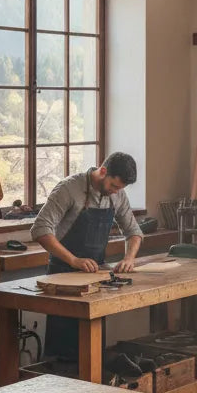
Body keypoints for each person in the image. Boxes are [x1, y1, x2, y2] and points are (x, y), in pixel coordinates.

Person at [30, 152, 143, 359]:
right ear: (103, 171)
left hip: (95, 277)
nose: (115, 192)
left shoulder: (116, 195)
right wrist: (74, 260)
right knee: (63, 352)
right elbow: (40, 229)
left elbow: (134, 232)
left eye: (120, 189)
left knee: (92, 350)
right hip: (63, 276)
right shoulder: (69, 188)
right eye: (114, 186)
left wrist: (128, 258)